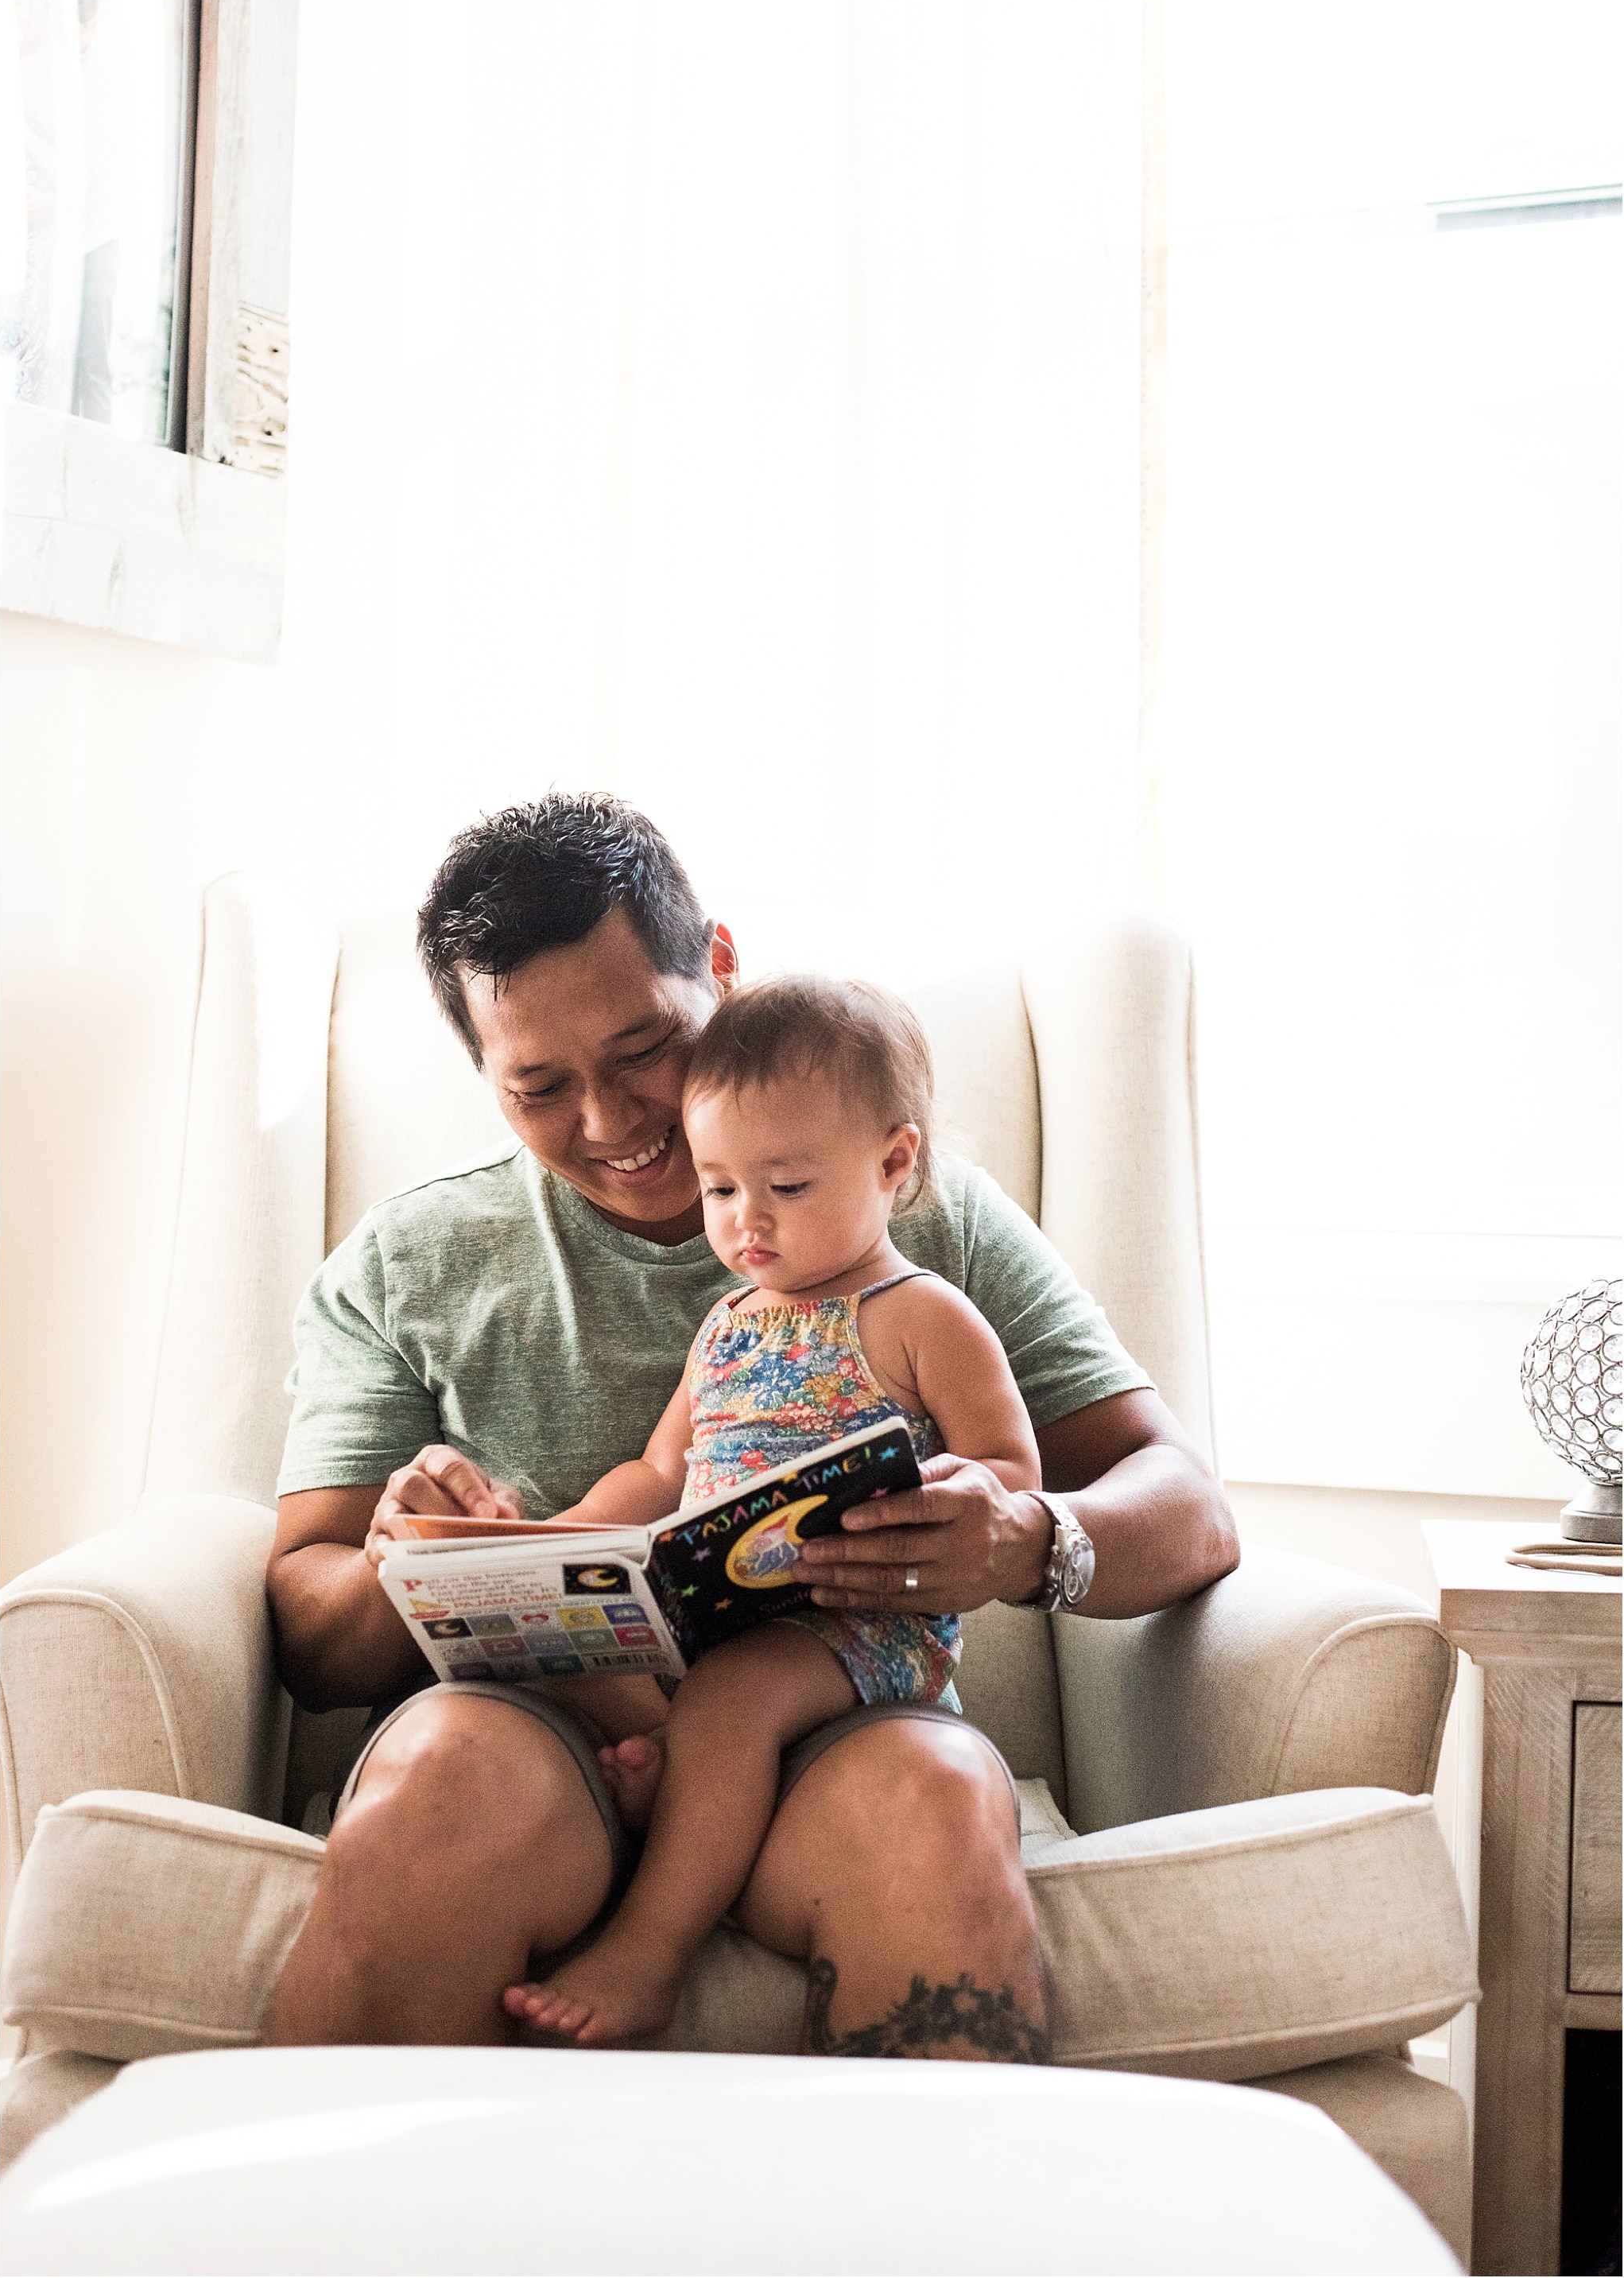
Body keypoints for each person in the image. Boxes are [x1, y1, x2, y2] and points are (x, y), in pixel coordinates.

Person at [262, 794, 1238, 2058]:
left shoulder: (919, 1226)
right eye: (542, 1087)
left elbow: (1189, 1507)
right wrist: (422, 1560)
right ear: (483, 1077)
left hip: (837, 1733)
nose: (613, 1122)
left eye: (643, 1048)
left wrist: (1024, 1537)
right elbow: (309, 1626)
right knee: (438, 1778)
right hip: (549, 1742)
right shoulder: (409, 1261)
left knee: (933, 1802)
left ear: (719, 966)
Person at [506, 975, 1042, 2045]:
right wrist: (532, 1545)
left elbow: (1010, 1475)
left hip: (863, 1627)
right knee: (573, 1647)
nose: (746, 1220)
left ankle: (650, 1946)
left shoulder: (920, 1315)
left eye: (786, 1185)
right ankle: (687, 1766)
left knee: (736, 1694)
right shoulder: (727, 1327)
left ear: (893, 1163)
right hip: (723, 1624)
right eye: (719, 1188)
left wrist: (964, 1499)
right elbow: (656, 1476)